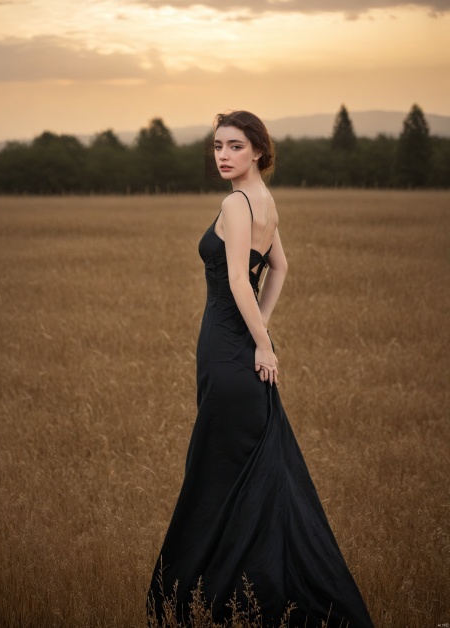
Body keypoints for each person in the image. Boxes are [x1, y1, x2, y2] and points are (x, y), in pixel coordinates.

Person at [147, 110, 373, 627]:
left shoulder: (236, 202)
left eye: (234, 146)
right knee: (248, 471)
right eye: (217, 146)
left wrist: (262, 344)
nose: (222, 155)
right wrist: (262, 334)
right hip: (238, 349)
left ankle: (215, 595)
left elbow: (238, 281)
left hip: (228, 350)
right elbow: (279, 265)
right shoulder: (264, 202)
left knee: (221, 471)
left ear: (257, 152)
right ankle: (247, 591)